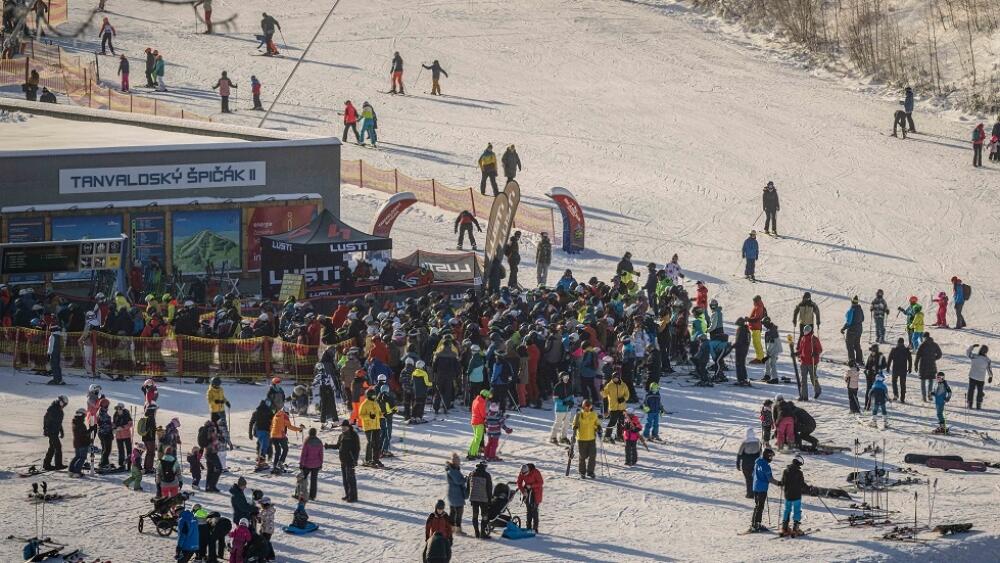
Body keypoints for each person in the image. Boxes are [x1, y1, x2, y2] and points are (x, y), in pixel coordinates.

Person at [748, 447, 780, 533]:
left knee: (757, 506)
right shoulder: (766, 466)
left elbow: (752, 474)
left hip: (755, 487)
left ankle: (754, 523)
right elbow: (770, 479)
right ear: (767, 456)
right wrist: (779, 483)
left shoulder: (757, 462)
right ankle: (756, 524)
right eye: (770, 457)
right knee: (760, 506)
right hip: (762, 489)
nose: (771, 459)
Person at [779, 455, 809, 537]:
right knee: (797, 510)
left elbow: (782, 482)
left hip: (788, 495)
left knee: (787, 510)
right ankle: (796, 528)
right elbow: (802, 484)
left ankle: (784, 528)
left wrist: (780, 483)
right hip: (796, 495)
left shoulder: (785, 471)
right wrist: (809, 488)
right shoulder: (799, 473)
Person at [573, 400, 601, 478]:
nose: (588, 407)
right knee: (583, 456)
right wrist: (575, 427)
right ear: (583, 406)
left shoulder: (594, 414)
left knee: (592, 456)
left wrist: (598, 427)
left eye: (589, 406)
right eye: (586, 406)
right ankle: (582, 472)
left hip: (591, 438)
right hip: (582, 439)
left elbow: (596, 423)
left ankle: (590, 472)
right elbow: (574, 424)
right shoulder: (578, 415)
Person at [269, 407, 302, 474]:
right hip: (280, 435)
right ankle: (280, 463)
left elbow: (271, 426)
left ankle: (275, 465)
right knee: (285, 449)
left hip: (273, 435)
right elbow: (289, 426)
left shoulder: (276, 415)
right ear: (286, 412)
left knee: (278, 451)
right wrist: (299, 429)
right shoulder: (285, 415)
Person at [466, 461, 493, 538]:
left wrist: (469, 496)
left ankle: (476, 533)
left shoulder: (471, 473)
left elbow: (468, 486)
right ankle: (483, 533)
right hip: (483, 499)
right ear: (485, 467)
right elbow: (489, 489)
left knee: (475, 516)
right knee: (484, 516)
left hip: (473, 498)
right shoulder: (487, 475)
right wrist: (490, 499)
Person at [601, 372, 630, 442]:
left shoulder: (623, 385)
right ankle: (607, 436)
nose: (615, 380)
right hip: (613, 408)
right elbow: (604, 394)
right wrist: (601, 389)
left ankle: (619, 436)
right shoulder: (609, 385)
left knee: (621, 422)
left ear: (619, 378)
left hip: (622, 408)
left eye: (616, 378)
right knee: (612, 422)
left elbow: (627, 395)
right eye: (614, 378)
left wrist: (623, 399)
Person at [796, 325, 823, 400]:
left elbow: (820, 349)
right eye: (804, 331)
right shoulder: (803, 338)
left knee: (813, 378)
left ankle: (818, 390)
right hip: (803, 361)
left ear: (810, 331)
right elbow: (801, 350)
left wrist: (815, 353)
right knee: (803, 379)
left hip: (812, 362)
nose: (804, 332)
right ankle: (804, 396)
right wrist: (797, 353)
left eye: (806, 331)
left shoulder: (814, 339)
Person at [359, 388, 384, 466]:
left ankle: (376, 459)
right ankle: (368, 460)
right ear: (369, 396)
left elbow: (379, 413)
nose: (374, 396)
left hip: (376, 426)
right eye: (372, 395)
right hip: (368, 427)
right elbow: (361, 415)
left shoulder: (376, 403)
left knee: (377, 444)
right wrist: (369, 416)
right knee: (371, 443)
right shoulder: (365, 404)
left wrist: (382, 416)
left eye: (374, 395)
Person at [42, 395, 68, 470]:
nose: (64, 406)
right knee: (58, 447)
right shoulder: (52, 409)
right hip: (51, 432)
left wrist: (61, 431)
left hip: (55, 432)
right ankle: (58, 465)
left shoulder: (59, 410)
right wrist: (46, 429)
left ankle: (46, 464)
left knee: (52, 448)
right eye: (64, 404)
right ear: (60, 402)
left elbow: (58, 423)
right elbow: (46, 419)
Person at [445, 453, 467, 535]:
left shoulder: (454, 469)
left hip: (454, 493)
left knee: (453, 512)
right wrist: (466, 479)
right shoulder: (452, 470)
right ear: (454, 462)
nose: (459, 462)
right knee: (458, 512)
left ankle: (451, 528)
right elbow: (458, 481)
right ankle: (457, 529)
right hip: (455, 494)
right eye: (458, 460)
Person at [915, 333, 941, 402]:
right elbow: (940, 354)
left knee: (923, 381)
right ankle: (929, 395)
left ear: (924, 337)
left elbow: (917, 356)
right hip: (932, 365)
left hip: (923, 365)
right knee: (930, 380)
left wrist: (915, 365)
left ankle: (924, 397)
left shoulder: (922, 345)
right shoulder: (934, 344)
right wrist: (934, 358)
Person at [299, 428, 324, 500]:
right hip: (316, 464)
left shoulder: (307, 441)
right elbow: (321, 454)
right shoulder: (319, 442)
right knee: (314, 480)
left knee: (303, 479)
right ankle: (312, 496)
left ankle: (302, 494)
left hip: (307, 464)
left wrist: (301, 464)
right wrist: (321, 463)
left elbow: (303, 454)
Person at [736, 427, 762, 498]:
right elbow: (760, 453)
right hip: (755, 463)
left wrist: (738, 464)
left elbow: (740, 454)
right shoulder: (758, 441)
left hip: (746, 463)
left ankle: (749, 494)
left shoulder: (744, 443)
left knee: (748, 479)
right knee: (755, 478)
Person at [966, 344, 992, 410]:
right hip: (981, 379)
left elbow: (968, 353)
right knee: (980, 391)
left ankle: (970, 404)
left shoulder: (974, 356)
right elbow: (989, 369)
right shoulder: (987, 360)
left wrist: (972, 347)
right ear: (986, 352)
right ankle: (978, 404)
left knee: (971, 390)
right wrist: (990, 376)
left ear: (980, 350)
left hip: (972, 376)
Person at [886, 337, 912, 402]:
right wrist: (909, 368)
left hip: (895, 369)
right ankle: (902, 398)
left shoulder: (894, 350)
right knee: (903, 384)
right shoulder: (906, 350)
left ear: (897, 343)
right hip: (903, 370)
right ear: (903, 343)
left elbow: (889, 359)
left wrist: (888, 367)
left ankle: (896, 394)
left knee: (894, 382)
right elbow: (910, 360)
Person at [841, 296, 865, 366]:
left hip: (852, 330)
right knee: (857, 344)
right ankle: (859, 360)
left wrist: (843, 328)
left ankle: (852, 360)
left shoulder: (852, 310)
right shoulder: (860, 309)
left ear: (852, 302)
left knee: (850, 345)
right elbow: (863, 319)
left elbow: (849, 322)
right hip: (859, 330)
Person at [863, 344, 886, 411]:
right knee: (868, 390)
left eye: (873, 351)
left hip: (876, 377)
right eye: (871, 351)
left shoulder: (881, 357)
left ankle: (876, 405)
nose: (871, 352)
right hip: (869, 376)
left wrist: (877, 367)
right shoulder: (870, 356)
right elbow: (867, 365)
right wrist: (866, 370)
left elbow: (884, 365)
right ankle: (866, 405)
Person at [468, 389, 488, 460]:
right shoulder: (481, 402)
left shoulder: (475, 400)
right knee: (478, 439)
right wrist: (486, 418)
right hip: (479, 422)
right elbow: (483, 414)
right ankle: (473, 454)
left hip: (473, 421)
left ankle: (470, 452)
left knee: (475, 438)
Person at [69, 408, 89, 477]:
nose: (85, 417)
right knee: (82, 457)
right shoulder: (80, 423)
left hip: (77, 442)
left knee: (77, 457)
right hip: (82, 443)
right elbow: (83, 434)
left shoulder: (75, 421)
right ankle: (77, 472)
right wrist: (90, 431)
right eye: (84, 415)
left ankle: (71, 471)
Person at [762, 317, 781, 383]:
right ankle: (767, 375)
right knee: (767, 362)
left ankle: (775, 378)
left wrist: (769, 354)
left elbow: (773, 343)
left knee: (772, 363)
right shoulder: (769, 329)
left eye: (764, 324)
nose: (763, 325)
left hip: (774, 349)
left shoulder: (772, 330)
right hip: (770, 348)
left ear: (767, 323)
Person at [748, 296, 767, 363]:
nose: (753, 302)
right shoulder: (759, 306)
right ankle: (760, 357)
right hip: (756, 327)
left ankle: (759, 358)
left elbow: (757, 318)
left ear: (756, 301)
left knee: (757, 343)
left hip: (756, 327)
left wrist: (749, 319)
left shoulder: (758, 307)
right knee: (756, 342)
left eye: (754, 301)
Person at [733, 317, 750, 386]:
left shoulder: (741, 329)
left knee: (739, 364)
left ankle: (740, 380)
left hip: (740, 349)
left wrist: (732, 346)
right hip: (745, 349)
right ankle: (744, 378)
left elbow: (739, 341)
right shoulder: (747, 330)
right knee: (742, 364)